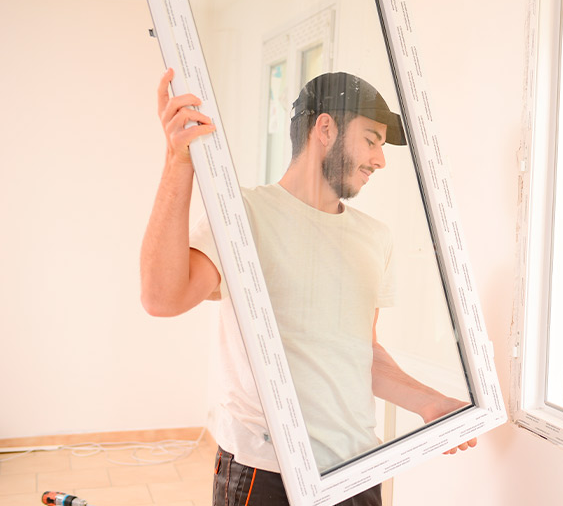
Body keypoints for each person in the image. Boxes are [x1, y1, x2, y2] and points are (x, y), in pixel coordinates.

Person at [141, 69, 476, 506]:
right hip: (269, 473)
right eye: (371, 139)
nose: (380, 160)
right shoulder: (245, 215)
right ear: (325, 128)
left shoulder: (375, 238)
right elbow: (163, 297)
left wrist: (429, 402)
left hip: (358, 469)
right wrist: (177, 161)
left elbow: (363, 353)